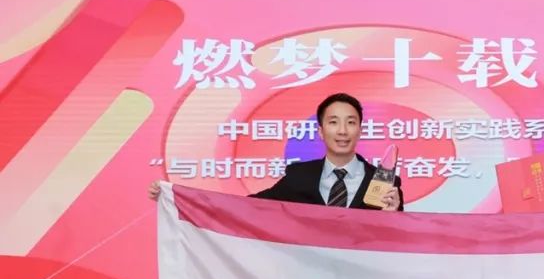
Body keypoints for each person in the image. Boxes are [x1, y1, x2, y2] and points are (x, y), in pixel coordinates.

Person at [148, 93, 403, 210]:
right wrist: (177, 197)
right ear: (321, 130)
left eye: (351, 122)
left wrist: (394, 215)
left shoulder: (385, 181)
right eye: (333, 122)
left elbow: (396, 243)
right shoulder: (298, 177)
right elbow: (246, 207)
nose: (343, 131)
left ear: (360, 129)